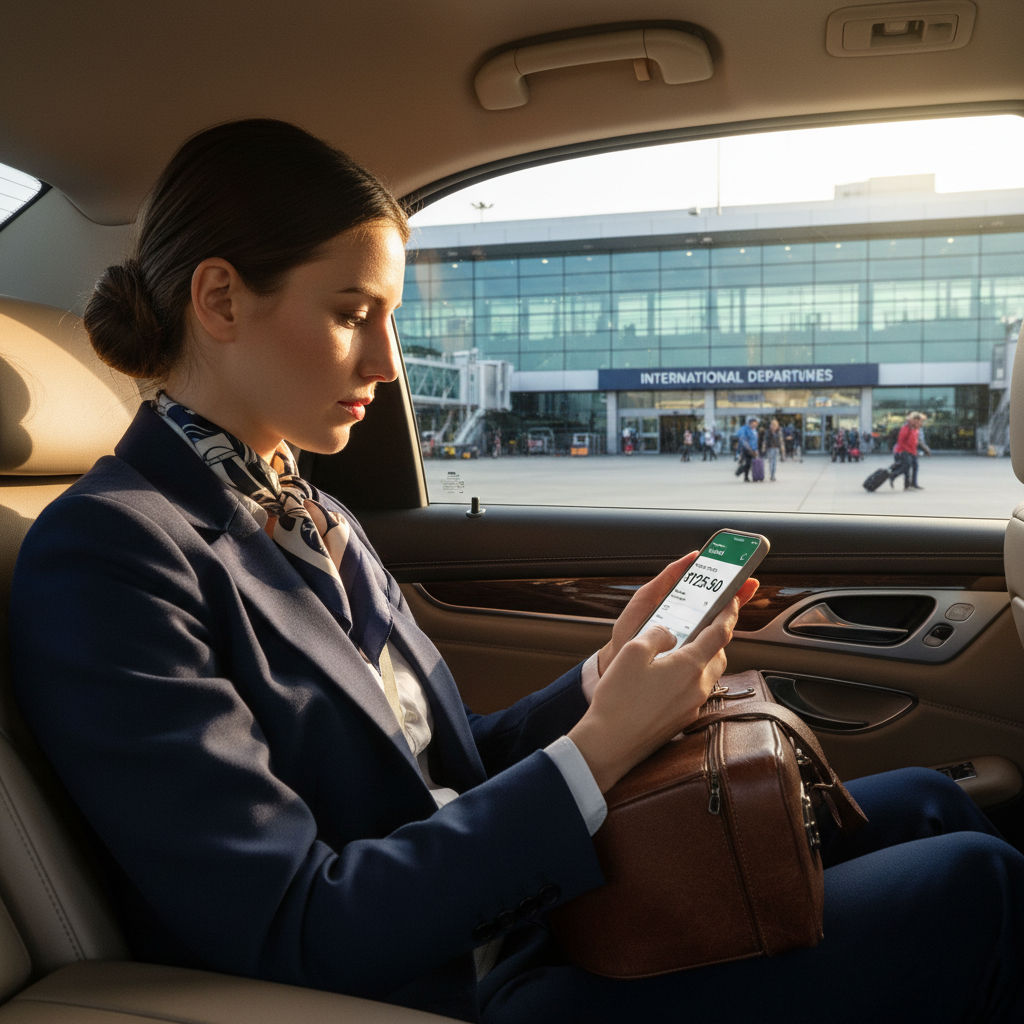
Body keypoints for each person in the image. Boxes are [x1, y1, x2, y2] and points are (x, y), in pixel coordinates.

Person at [8, 120, 1024, 1024]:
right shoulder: (108, 559)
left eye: (391, 317)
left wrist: (598, 682)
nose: (388, 363)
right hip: (452, 980)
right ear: (220, 299)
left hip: (517, 909)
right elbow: (299, 922)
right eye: (353, 311)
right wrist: (598, 747)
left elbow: (435, 765)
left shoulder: (313, 510)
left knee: (931, 810)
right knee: (971, 883)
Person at [892, 412, 931, 490]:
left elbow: (917, 441)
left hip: (912, 451)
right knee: (906, 467)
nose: (920, 423)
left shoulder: (916, 429)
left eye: (920, 421)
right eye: (918, 421)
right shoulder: (906, 428)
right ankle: (899, 480)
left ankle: (913, 483)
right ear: (913, 421)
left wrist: (925, 449)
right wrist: (907, 450)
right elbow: (901, 441)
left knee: (915, 466)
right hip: (903, 451)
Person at [734, 416, 759, 482]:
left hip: (753, 449)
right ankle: (740, 471)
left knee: (749, 464)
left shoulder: (754, 431)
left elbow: (755, 441)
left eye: (755, 423)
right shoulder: (747, 430)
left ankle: (746, 477)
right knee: (748, 463)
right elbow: (743, 440)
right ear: (750, 423)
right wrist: (749, 449)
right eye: (752, 423)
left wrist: (756, 449)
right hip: (747, 449)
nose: (754, 424)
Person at [764, 418, 784, 482]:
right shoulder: (768, 432)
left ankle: (773, 475)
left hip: (776, 448)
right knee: (771, 462)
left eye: (776, 426)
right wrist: (764, 448)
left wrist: (782, 449)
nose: (775, 427)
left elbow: (781, 441)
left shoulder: (779, 431)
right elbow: (765, 440)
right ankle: (771, 475)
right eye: (774, 425)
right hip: (770, 448)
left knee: (775, 462)